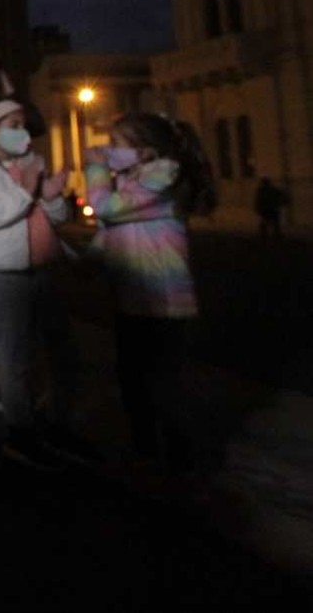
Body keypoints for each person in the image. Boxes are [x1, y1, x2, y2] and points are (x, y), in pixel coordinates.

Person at [0, 96, 88, 470]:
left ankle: (58, 424)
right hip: (3, 274)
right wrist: (26, 190)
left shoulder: (31, 164)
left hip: (45, 267)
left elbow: (57, 215)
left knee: (65, 354)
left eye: (23, 124)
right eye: (12, 124)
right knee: (15, 358)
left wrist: (50, 197)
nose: (21, 132)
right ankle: (20, 433)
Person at [84, 113, 214, 474]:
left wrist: (95, 170)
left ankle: (179, 460)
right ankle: (145, 450)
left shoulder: (164, 176)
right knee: (132, 379)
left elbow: (106, 209)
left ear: (144, 151)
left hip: (166, 302)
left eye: (116, 144)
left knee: (166, 385)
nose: (108, 151)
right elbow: (111, 231)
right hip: (133, 299)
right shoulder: (133, 179)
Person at [254, 177, 287, 243]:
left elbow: (258, 200)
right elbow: (281, 194)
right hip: (272, 208)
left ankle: (264, 235)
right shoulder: (272, 189)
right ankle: (276, 234)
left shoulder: (261, 190)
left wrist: (258, 208)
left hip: (266, 209)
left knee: (265, 222)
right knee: (275, 222)